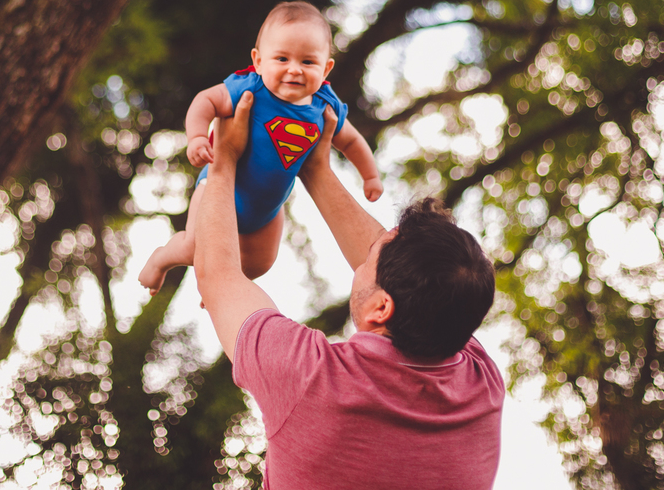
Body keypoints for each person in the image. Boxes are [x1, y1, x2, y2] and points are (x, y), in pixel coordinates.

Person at [194, 92, 504, 490]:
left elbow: (218, 277)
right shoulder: (480, 383)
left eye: (369, 257)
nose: (362, 260)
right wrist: (315, 168)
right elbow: (414, 276)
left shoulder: (312, 379)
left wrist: (224, 159)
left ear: (381, 308)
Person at [139, 1, 381, 294]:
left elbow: (351, 141)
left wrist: (370, 176)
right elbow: (206, 100)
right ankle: (162, 258)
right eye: (282, 58)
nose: (294, 69)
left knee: (260, 264)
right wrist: (198, 137)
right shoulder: (250, 88)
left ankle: (223, 291)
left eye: (308, 62)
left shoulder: (325, 105)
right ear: (258, 61)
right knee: (196, 246)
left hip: (268, 209)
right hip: (220, 188)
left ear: (326, 68)